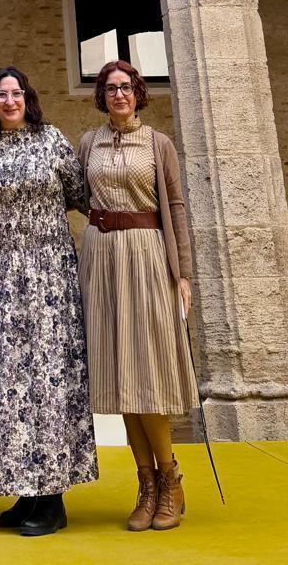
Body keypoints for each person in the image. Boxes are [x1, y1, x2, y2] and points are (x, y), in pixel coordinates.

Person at [0, 67, 97, 538]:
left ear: (28, 98)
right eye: (2, 94)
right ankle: (23, 488)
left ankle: (52, 497)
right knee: (6, 385)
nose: (10, 100)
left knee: (49, 381)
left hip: (49, 278)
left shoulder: (52, 140)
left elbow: (81, 195)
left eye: (17, 93)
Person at [78, 60, 198, 532]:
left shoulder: (158, 143)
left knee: (146, 368)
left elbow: (175, 207)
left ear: (139, 92)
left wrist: (183, 273)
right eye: (110, 88)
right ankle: (145, 485)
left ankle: (170, 478)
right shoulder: (88, 143)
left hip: (147, 257)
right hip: (101, 261)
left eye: (125, 87)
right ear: (101, 96)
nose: (118, 95)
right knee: (122, 372)